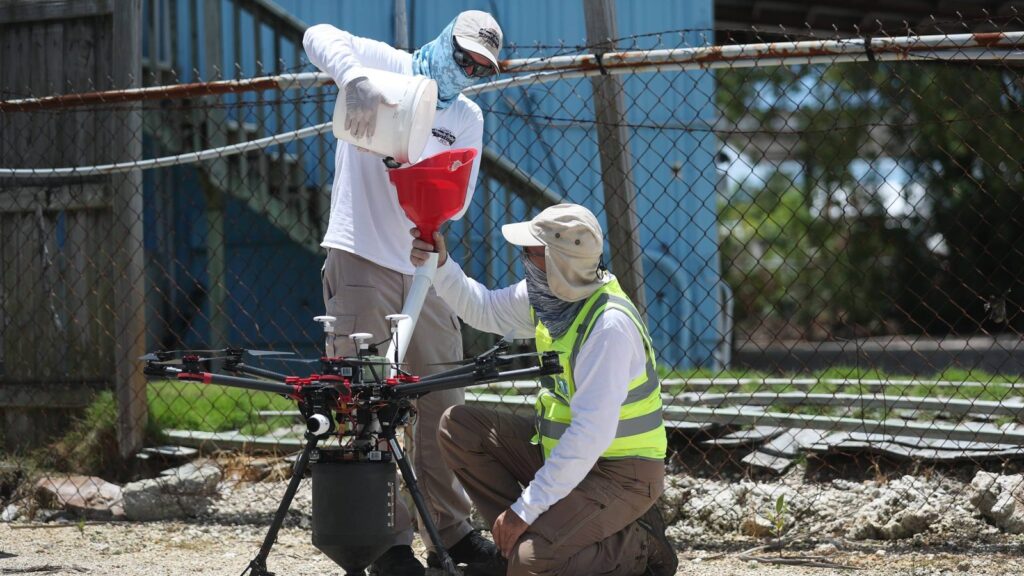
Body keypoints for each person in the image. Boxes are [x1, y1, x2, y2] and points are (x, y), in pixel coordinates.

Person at [303, 11, 503, 576]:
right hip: (361, 253)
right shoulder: (385, 64)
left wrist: (415, 177)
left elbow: (457, 199)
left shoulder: (466, 116)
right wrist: (353, 79)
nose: (466, 71)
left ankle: (452, 532)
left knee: (442, 397)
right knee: (364, 400)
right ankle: (385, 542)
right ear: (445, 41)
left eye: (480, 68)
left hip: (423, 268)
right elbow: (317, 34)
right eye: (463, 57)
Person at [410, 204, 679, 576]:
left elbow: (589, 435)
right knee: (459, 427)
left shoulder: (608, 327)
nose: (523, 260)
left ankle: (638, 547)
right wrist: (441, 266)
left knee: (530, 565)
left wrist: (525, 510)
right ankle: (518, 544)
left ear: (557, 264)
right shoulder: (552, 295)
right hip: (566, 455)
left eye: (530, 254)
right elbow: (484, 309)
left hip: (621, 475)